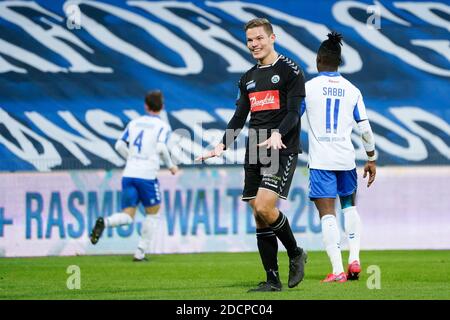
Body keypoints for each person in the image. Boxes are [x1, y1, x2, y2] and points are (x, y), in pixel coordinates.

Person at [197, 18, 307, 292]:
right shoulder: (247, 77)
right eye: (249, 40)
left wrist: (279, 133)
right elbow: (239, 116)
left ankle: (295, 253)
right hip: (256, 145)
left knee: (264, 207)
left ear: (272, 38)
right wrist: (222, 144)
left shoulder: (291, 71)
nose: (254, 44)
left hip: (280, 147)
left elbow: (294, 113)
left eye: (259, 38)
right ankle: (272, 281)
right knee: (258, 215)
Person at [301, 32, 377, 282]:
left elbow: (291, 120)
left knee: (327, 215)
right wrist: (371, 157)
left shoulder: (308, 88)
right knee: (349, 207)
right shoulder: (353, 90)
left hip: (321, 162)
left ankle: (337, 270)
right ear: (338, 61)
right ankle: (354, 259)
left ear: (319, 60)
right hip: (346, 160)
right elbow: (364, 128)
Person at [90, 90, 178, 262]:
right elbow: (160, 148)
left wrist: (131, 158)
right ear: (162, 107)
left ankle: (104, 222)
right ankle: (140, 252)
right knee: (153, 213)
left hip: (129, 173)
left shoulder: (134, 123)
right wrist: (171, 166)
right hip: (146, 176)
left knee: (128, 215)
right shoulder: (163, 126)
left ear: (146, 106)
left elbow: (119, 145)